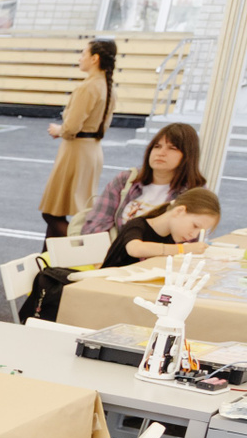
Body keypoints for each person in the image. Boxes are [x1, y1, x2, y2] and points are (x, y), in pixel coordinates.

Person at [40, 38, 116, 239]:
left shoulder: (88, 87)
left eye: (83, 54)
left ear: (95, 58)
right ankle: (49, 256)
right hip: (91, 150)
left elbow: (71, 127)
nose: (80, 58)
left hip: (76, 151)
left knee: (51, 213)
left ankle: (80, 245)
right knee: (60, 211)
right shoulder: (107, 87)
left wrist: (59, 130)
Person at [81, 122, 204, 236]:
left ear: (188, 156)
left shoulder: (194, 194)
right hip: (114, 249)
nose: (161, 153)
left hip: (159, 253)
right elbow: (95, 225)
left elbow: (189, 239)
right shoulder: (127, 180)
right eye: (157, 146)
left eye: (172, 148)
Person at [99, 187, 221, 269]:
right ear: (179, 211)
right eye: (195, 226)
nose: (194, 235)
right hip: (106, 286)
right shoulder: (137, 225)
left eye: (199, 231)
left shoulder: (171, 236)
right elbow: (135, 249)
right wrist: (183, 249)